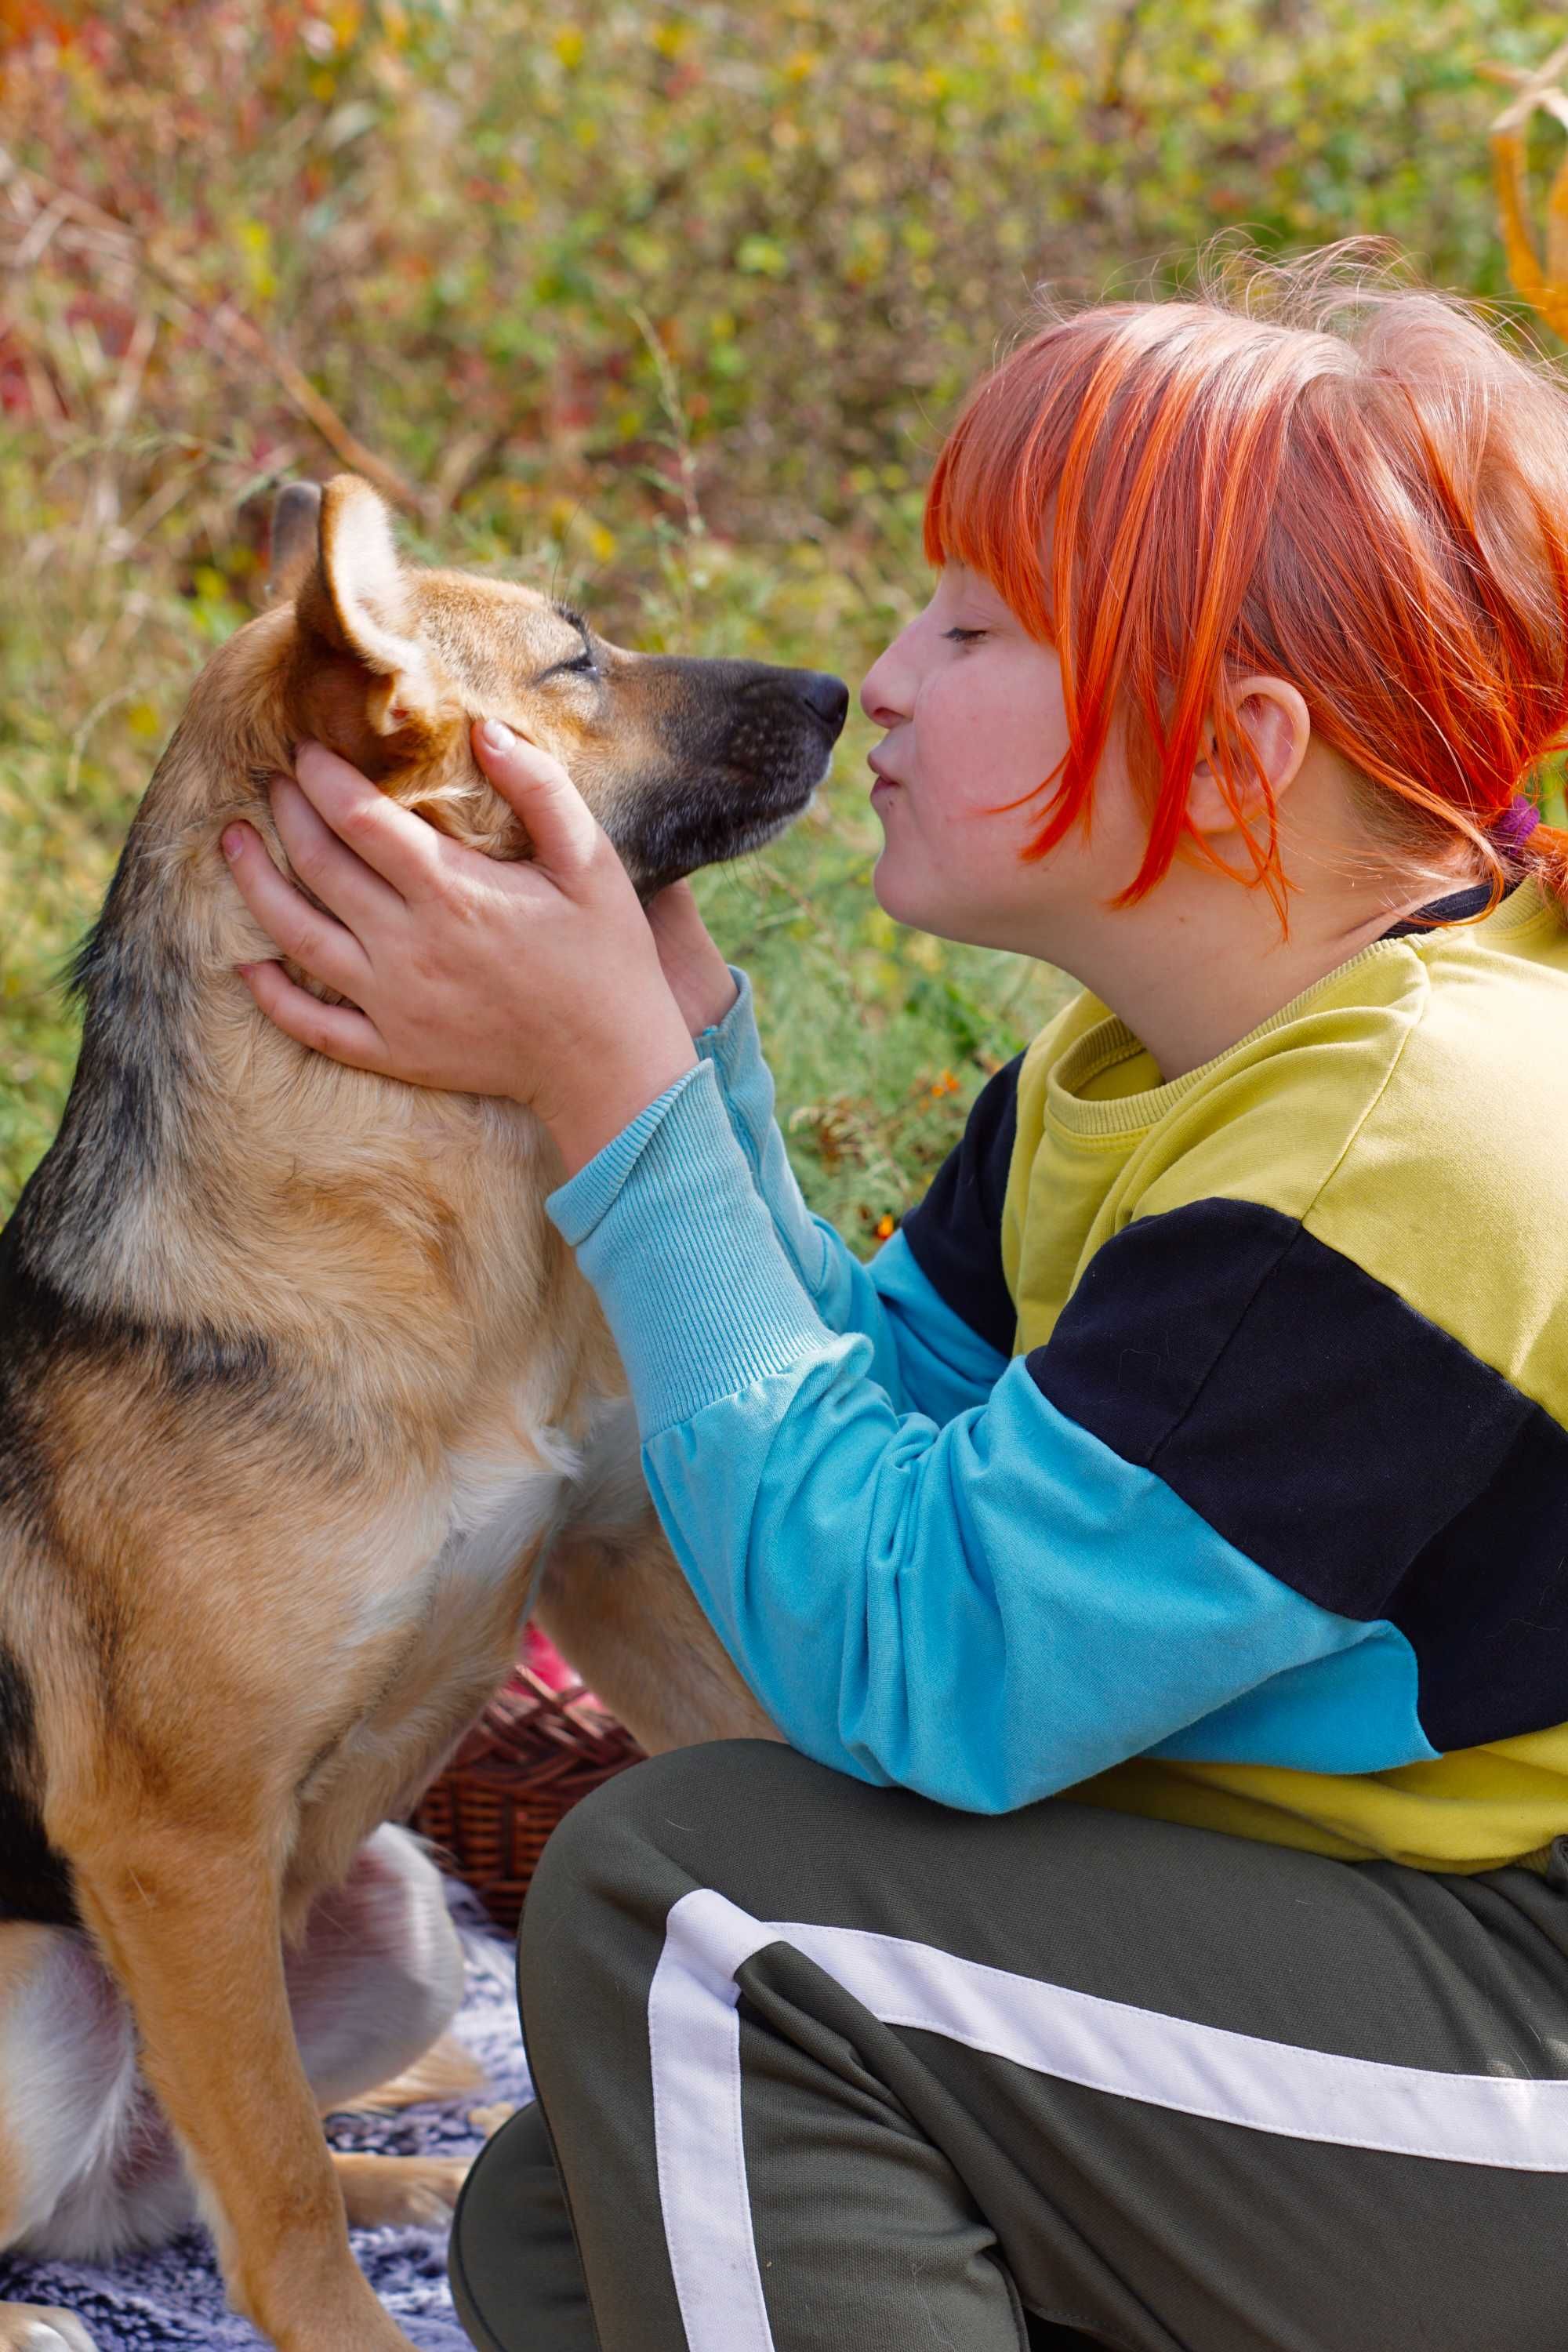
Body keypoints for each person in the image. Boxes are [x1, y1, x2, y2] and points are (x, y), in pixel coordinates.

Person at [221, 243, 1568, 2352]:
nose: (889, 677)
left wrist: (615, 1096)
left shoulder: (1413, 1139)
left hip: (1517, 2027)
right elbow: (870, 1430)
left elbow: (916, 1673)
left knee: (709, 1924)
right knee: (565, 2226)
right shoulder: (1138, 1071)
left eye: (976, 626)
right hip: (1363, 1950)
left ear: (1237, 754)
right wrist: (684, 1042)